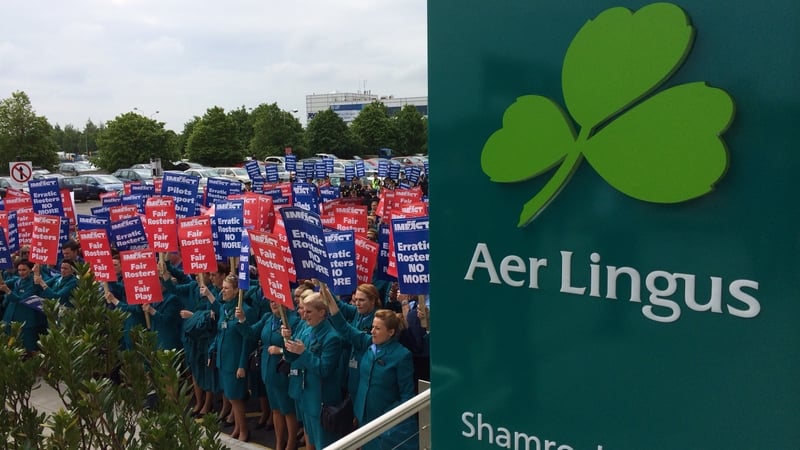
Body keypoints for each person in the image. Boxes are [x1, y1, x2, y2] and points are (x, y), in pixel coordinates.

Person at [324, 289, 418, 450]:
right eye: (373, 327)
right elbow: (344, 327)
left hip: (386, 423)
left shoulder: (402, 356)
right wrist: (326, 293)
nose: (372, 331)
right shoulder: (369, 344)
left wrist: (392, 420)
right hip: (363, 417)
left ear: (391, 332)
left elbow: (407, 395)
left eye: (377, 328)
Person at [282, 291, 344, 450]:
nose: (304, 315)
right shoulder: (307, 329)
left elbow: (324, 369)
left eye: (309, 311)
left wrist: (304, 352)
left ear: (322, 312)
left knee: (324, 444)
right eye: (304, 310)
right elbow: (291, 357)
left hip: (321, 400)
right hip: (306, 396)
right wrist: (287, 341)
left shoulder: (332, 337)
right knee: (310, 440)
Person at [236, 300, 302, 450]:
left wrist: (281, 348)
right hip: (268, 370)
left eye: (277, 301)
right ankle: (279, 442)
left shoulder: (294, 321)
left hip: (283, 371)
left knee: (288, 410)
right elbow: (251, 333)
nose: (273, 304)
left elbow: (297, 346)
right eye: (271, 301)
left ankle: (291, 443)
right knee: (276, 409)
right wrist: (242, 320)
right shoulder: (268, 318)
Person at [208, 275, 256, 442]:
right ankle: (237, 426)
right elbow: (220, 332)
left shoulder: (244, 310)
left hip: (235, 360)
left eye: (227, 288)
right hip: (224, 358)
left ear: (237, 291)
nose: (223, 291)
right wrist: (212, 351)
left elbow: (247, 340)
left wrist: (242, 364)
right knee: (229, 395)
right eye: (223, 287)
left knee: (236, 397)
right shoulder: (224, 308)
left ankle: (244, 430)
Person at [0, 260, 44, 353]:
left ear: (30, 270)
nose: (21, 272)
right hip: (10, 319)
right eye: (19, 270)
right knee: (10, 348)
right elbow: (2, 283)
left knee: (28, 350)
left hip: (27, 321)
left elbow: (22, 299)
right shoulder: (17, 280)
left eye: (24, 270)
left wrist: (7, 290)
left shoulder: (34, 283)